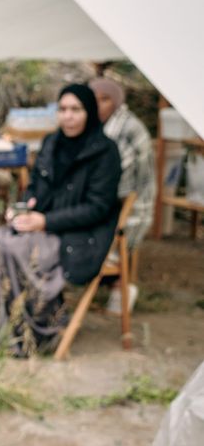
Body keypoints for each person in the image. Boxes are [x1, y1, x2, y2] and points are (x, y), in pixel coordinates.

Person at [0, 84, 121, 356]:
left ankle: (37, 332)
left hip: (78, 233)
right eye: (62, 109)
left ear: (89, 113)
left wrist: (45, 221)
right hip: (43, 222)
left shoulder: (105, 152)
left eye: (76, 110)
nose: (68, 116)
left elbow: (97, 208)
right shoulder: (52, 142)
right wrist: (23, 207)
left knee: (16, 248)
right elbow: (37, 186)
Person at [89, 77, 155, 314]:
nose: (98, 105)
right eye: (93, 100)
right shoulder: (103, 125)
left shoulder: (124, 130)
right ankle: (115, 285)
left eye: (104, 99)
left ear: (116, 102)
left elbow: (116, 189)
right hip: (114, 203)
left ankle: (119, 285)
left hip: (130, 210)